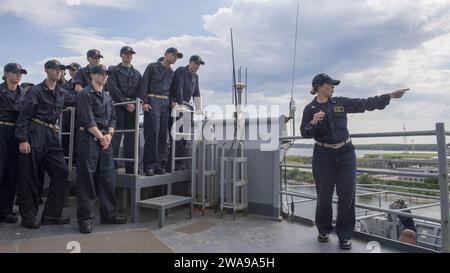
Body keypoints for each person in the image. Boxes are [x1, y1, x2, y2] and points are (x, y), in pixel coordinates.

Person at [300, 73, 408, 250]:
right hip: (322, 155)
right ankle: (324, 230)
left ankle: (344, 235)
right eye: (330, 84)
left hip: (345, 153)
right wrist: (312, 123)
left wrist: (389, 96)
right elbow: (305, 132)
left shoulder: (340, 102)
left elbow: (364, 103)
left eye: (334, 85)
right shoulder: (309, 109)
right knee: (324, 196)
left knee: (347, 195)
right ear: (319, 86)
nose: (333, 88)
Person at [15, 60, 75, 229]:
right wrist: (23, 139)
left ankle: (51, 215)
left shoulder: (61, 93)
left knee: (61, 171)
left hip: (51, 134)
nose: (59, 71)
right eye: (55, 69)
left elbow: (79, 98)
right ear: (46, 70)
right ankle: (29, 216)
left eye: (61, 69)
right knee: (31, 175)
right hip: (35, 131)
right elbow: (24, 115)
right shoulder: (35, 91)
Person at [75, 64, 127, 234]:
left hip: (105, 141)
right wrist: (101, 137)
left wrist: (109, 136)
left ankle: (109, 214)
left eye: (106, 74)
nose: (105, 77)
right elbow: (87, 119)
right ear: (93, 75)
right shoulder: (84, 94)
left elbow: (113, 118)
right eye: (102, 74)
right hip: (89, 139)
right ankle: (85, 220)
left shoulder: (107, 97)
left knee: (107, 178)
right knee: (87, 181)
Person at [139, 47, 183, 176]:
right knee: (153, 133)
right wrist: (145, 101)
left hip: (166, 104)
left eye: (177, 56)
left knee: (163, 136)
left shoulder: (172, 73)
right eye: (174, 55)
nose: (175, 58)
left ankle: (159, 164)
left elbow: (172, 91)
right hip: (152, 101)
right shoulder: (152, 67)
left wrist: (173, 101)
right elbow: (144, 84)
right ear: (166, 54)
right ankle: (149, 166)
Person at [108, 46, 142, 174]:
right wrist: (125, 103)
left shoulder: (137, 73)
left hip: (133, 108)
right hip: (118, 107)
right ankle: (113, 167)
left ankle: (131, 167)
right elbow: (113, 89)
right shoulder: (113, 71)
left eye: (131, 54)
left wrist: (135, 102)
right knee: (115, 137)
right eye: (126, 54)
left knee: (132, 139)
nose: (129, 56)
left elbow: (141, 89)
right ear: (121, 55)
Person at [0, 63, 27, 224]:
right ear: (6, 74)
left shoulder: (23, 93)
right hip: (1, 130)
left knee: (12, 173)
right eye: (15, 72)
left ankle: (5, 210)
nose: (18, 75)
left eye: (20, 73)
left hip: (16, 133)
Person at [169, 55, 204, 171]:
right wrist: (179, 104)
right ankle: (172, 163)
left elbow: (197, 93)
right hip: (178, 106)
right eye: (195, 63)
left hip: (188, 108)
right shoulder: (180, 71)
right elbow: (178, 88)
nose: (197, 66)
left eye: (199, 65)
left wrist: (198, 108)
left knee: (185, 136)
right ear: (190, 62)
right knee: (177, 136)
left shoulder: (196, 77)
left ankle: (178, 162)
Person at [61, 63, 81, 159]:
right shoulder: (65, 86)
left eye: (74, 70)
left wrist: (73, 104)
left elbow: (86, 99)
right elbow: (63, 99)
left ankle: (76, 161)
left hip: (80, 116)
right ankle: (66, 160)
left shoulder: (83, 84)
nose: (72, 72)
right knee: (66, 140)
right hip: (67, 117)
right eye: (70, 70)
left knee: (78, 140)